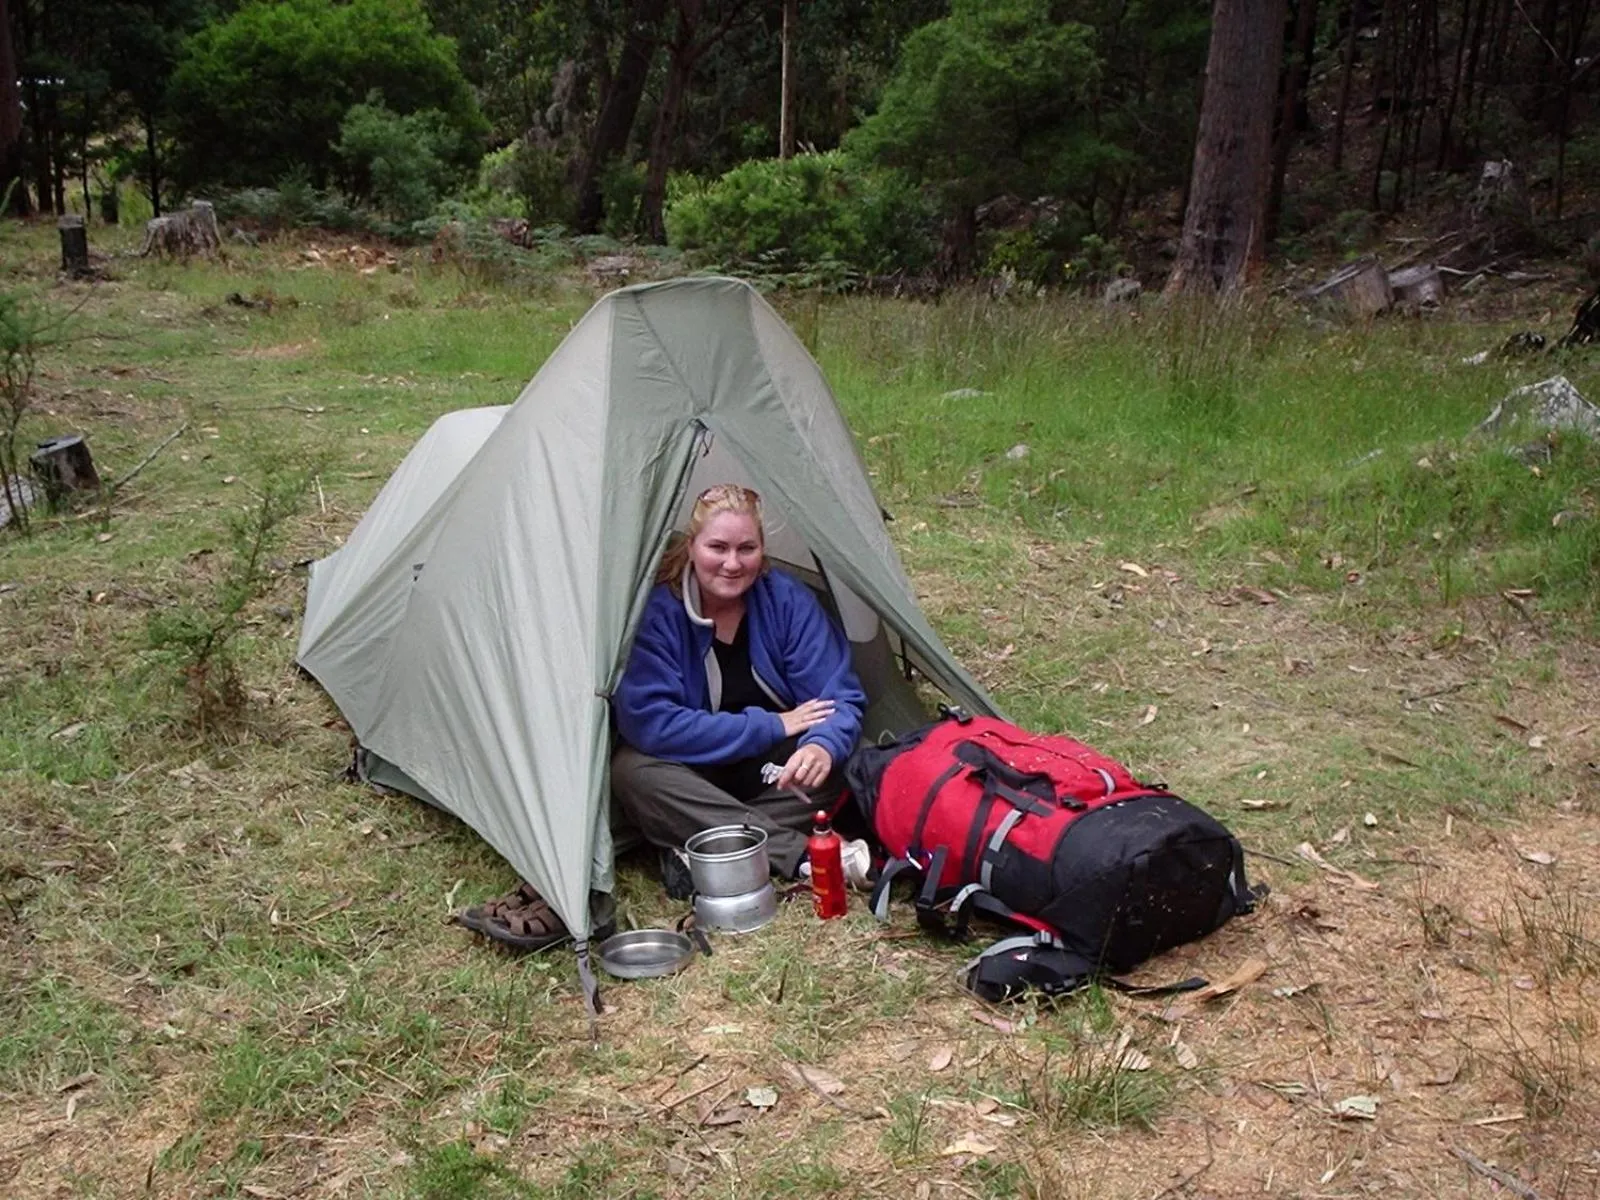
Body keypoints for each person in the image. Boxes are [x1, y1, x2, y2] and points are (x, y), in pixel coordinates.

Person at [611, 483, 872, 886]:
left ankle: (698, 839)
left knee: (854, 757)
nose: (732, 564)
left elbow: (837, 697)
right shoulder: (660, 612)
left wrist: (820, 746)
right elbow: (651, 724)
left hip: (768, 770)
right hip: (692, 765)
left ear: (762, 550)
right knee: (633, 772)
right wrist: (772, 725)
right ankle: (802, 855)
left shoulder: (785, 601)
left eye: (746, 549)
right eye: (717, 548)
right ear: (692, 546)